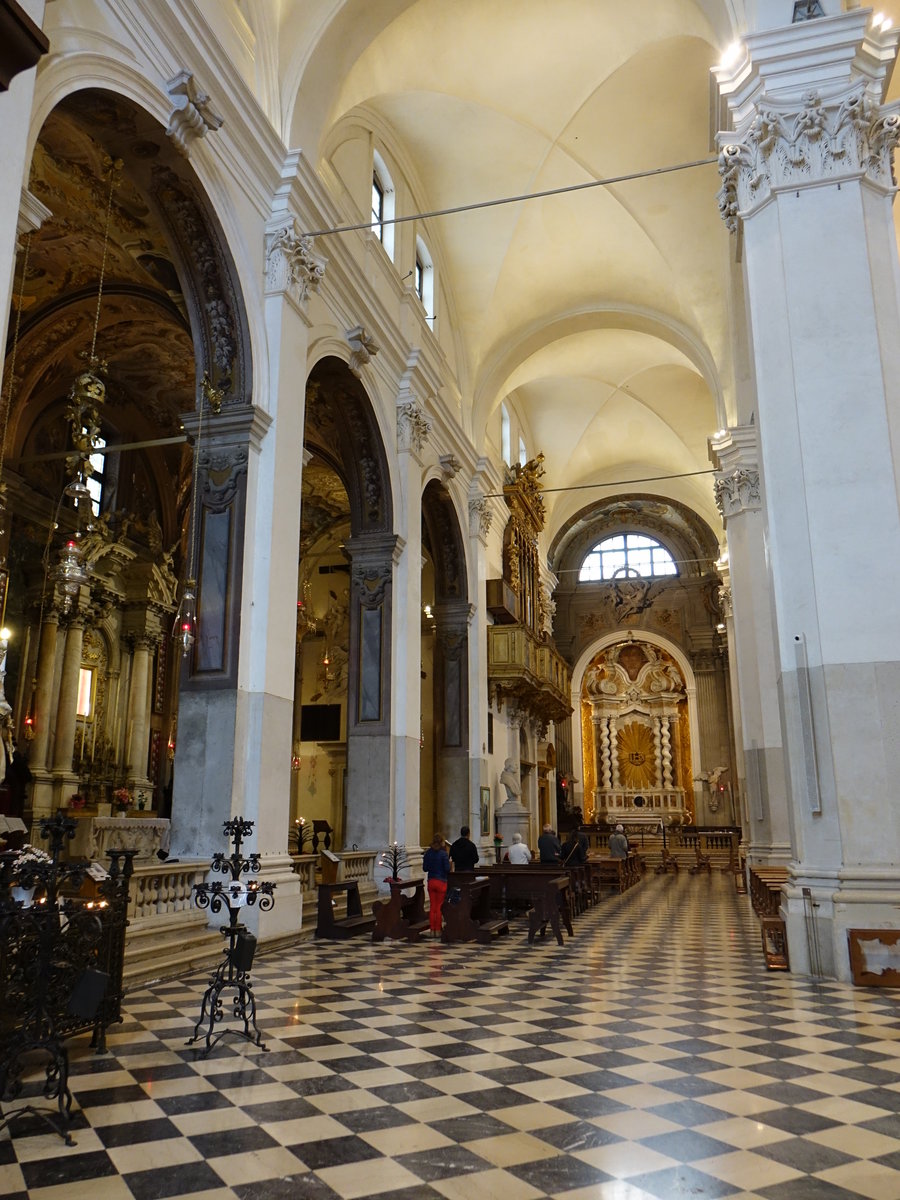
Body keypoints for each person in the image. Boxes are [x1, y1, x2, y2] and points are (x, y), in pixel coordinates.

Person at [422, 833, 451, 936]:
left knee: (432, 906)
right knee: (438, 907)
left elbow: (425, 868)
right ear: (441, 842)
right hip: (441, 881)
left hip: (431, 881)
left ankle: (432, 929)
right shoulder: (443, 854)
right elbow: (447, 869)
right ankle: (438, 930)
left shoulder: (428, 853)